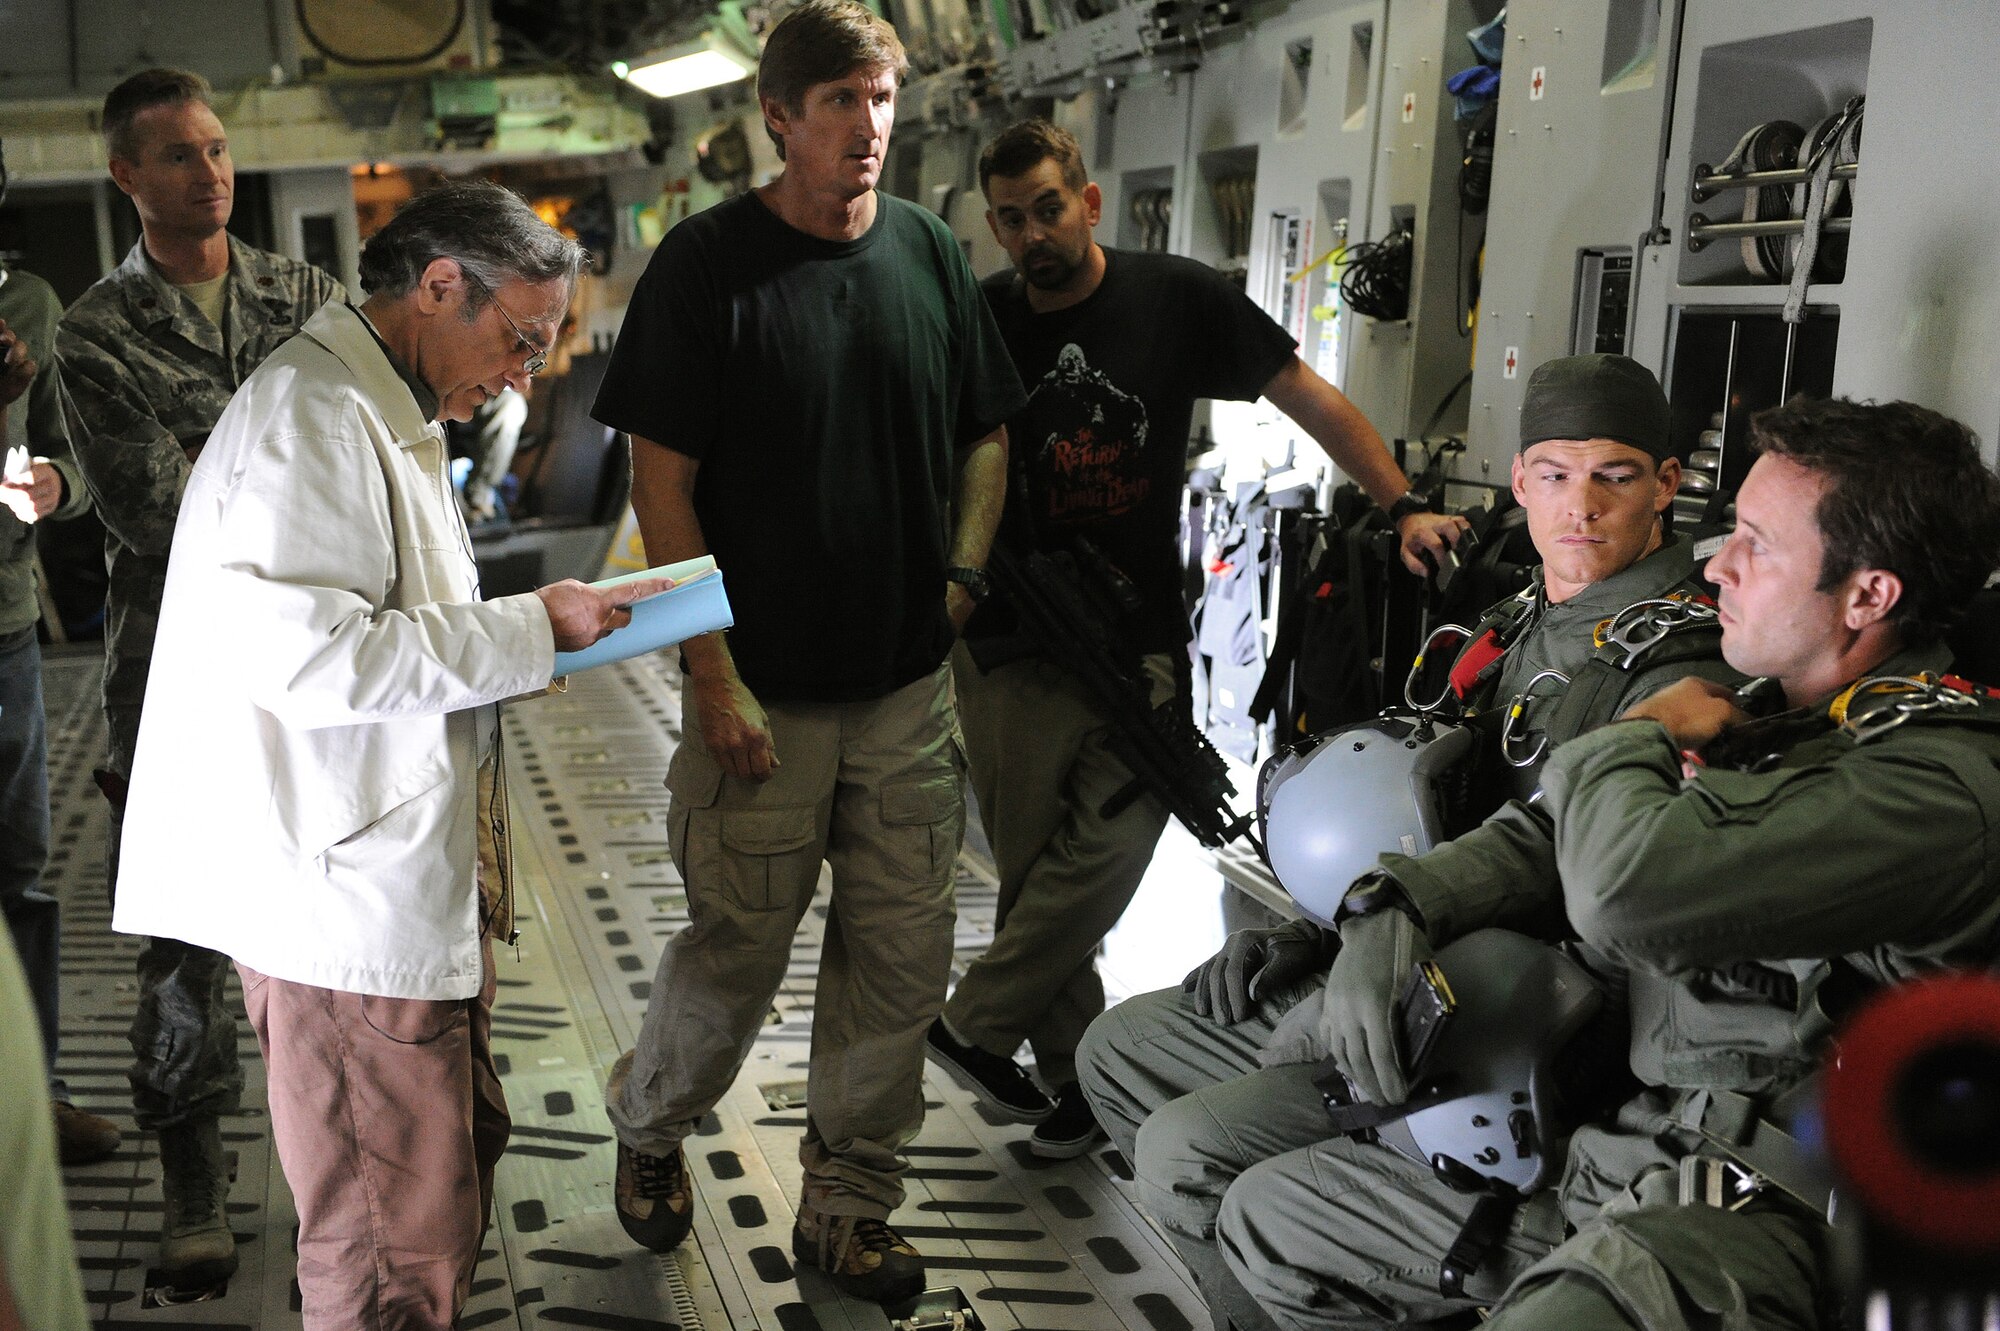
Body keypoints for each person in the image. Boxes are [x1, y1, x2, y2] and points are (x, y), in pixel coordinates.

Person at [1204, 397, 2000, 1330]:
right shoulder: (1779, 708)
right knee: (1272, 1219)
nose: (1720, 563)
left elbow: (1623, 890)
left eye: (1758, 543)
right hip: (1631, 1141)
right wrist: (1396, 902)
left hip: (1768, 1206)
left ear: (1869, 595)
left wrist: (1633, 737)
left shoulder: (1932, 787)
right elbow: (1545, 831)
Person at [1075, 351, 1740, 1331]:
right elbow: (1436, 815)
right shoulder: (1509, 621)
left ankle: (1317, 1237)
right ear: (1518, 482)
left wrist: (1385, 928)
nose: (1580, 505)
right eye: (1554, 474)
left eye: (1614, 475)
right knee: (1121, 1045)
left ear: (1667, 486)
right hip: (1397, 955)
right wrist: (1314, 931)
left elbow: (1585, 873)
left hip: (1520, 1013)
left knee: (1187, 1146)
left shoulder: (1681, 664)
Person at [108, 180, 665, 1330]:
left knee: (437, 1187)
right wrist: (528, 629)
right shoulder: (315, 416)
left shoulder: (379, 404)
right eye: (518, 339)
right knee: (380, 1237)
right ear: (438, 285)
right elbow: (312, 658)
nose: (523, 374)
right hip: (339, 906)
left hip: (389, 874)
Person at [589, 0, 1025, 1305]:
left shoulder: (932, 255)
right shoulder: (704, 266)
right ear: (778, 118)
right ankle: (651, 1116)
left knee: (899, 963)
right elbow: (659, 484)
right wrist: (708, 669)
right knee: (735, 953)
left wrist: (961, 571)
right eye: (840, 103)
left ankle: (844, 1208)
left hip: (901, 690)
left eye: (882, 100)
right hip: (758, 693)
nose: (868, 128)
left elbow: (983, 436)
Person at [921, 118, 1468, 1159]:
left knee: (1129, 827)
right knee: (1039, 875)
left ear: (1086, 201)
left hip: (1134, 634)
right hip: (1005, 641)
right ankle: (1077, 1081)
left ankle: (971, 1023)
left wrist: (1400, 506)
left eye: (1047, 207)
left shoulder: (1175, 296)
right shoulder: (978, 320)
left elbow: (1307, 397)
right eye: (1009, 219)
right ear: (989, 228)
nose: (1032, 233)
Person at [56, 66, 342, 1288]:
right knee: (183, 933)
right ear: (126, 175)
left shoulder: (307, 293)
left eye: (218, 149)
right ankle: (188, 1171)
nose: (211, 172)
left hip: (322, 658)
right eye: (177, 155)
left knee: (335, 902)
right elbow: (156, 510)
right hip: (171, 669)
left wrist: (224, 459)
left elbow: (368, 462)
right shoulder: (94, 332)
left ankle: (340, 1148)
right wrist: (284, 479)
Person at [1, 142, 119, 1168]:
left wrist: (47, 482)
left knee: (21, 870)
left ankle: (36, 1093)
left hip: (2, 627)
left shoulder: (29, 304)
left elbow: (58, 454)